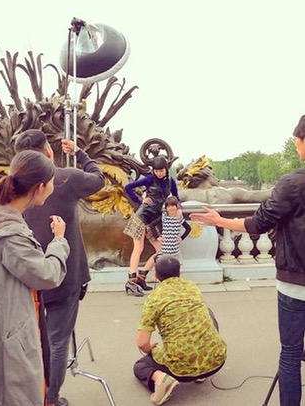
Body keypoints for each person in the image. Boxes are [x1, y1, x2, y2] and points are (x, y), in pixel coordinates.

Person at [189, 115, 305, 406]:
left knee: (291, 355)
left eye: (296, 141)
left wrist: (219, 221)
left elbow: (259, 223)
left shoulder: (292, 184)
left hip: (295, 284)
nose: (295, 146)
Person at [0, 150, 70, 406]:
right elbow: (47, 274)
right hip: (2, 331)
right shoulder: (10, 235)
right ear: (40, 187)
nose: (53, 188)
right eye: (52, 183)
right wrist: (59, 241)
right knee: (5, 393)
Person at [14, 130, 105, 406]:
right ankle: (50, 398)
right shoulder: (65, 178)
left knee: (28, 341)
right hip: (65, 275)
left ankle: (32, 393)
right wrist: (79, 152)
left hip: (27, 276)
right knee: (57, 341)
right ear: (48, 151)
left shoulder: (11, 187)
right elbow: (99, 179)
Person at [133, 255, 227, 405]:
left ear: (156, 275)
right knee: (208, 312)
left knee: (140, 366)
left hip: (182, 371)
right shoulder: (192, 286)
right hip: (217, 361)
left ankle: (162, 379)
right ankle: (202, 370)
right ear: (179, 273)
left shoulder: (154, 299)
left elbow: (142, 343)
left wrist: (151, 349)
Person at [124, 156, 180, 296]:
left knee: (161, 250)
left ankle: (142, 276)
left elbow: (176, 198)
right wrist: (140, 200)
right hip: (142, 216)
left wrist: (178, 209)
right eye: (156, 170)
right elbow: (128, 187)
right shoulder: (149, 179)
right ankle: (131, 282)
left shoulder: (171, 181)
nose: (159, 173)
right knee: (138, 248)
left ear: (166, 169)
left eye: (161, 170)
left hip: (155, 219)